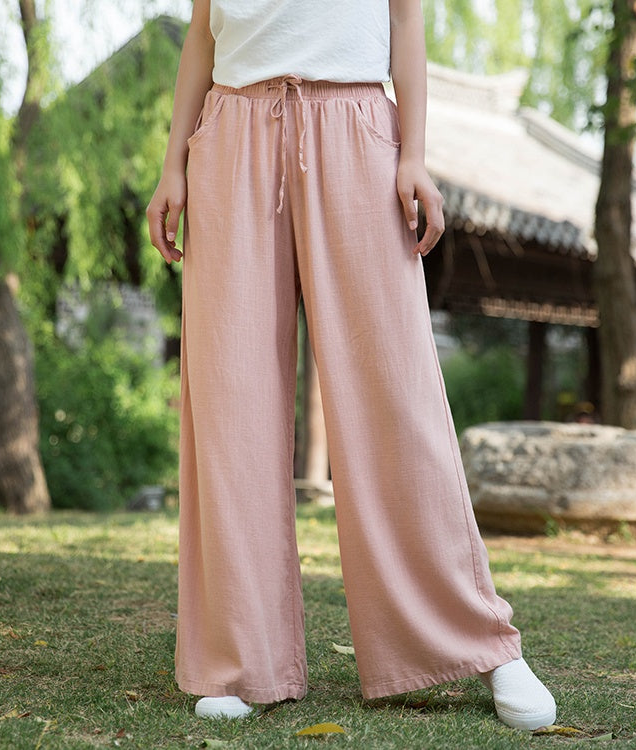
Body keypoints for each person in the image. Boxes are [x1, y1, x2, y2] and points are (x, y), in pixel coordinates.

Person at [146, 0, 556, 731]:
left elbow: (406, 21)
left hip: (355, 125)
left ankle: (477, 639)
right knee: (230, 397)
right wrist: (173, 163)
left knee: (396, 394)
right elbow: (202, 36)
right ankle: (240, 654)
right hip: (231, 130)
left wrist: (413, 154)